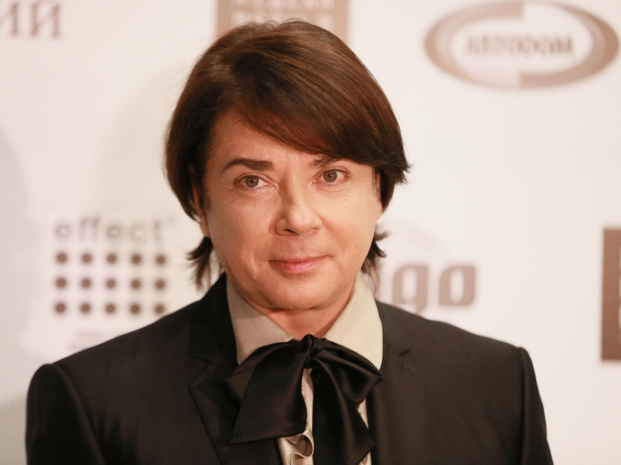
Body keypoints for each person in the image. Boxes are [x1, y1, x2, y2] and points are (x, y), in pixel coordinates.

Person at [25, 20, 553, 465]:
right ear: (200, 200)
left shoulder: (496, 385)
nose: (298, 219)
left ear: (380, 189)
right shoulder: (94, 404)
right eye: (254, 181)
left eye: (331, 176)